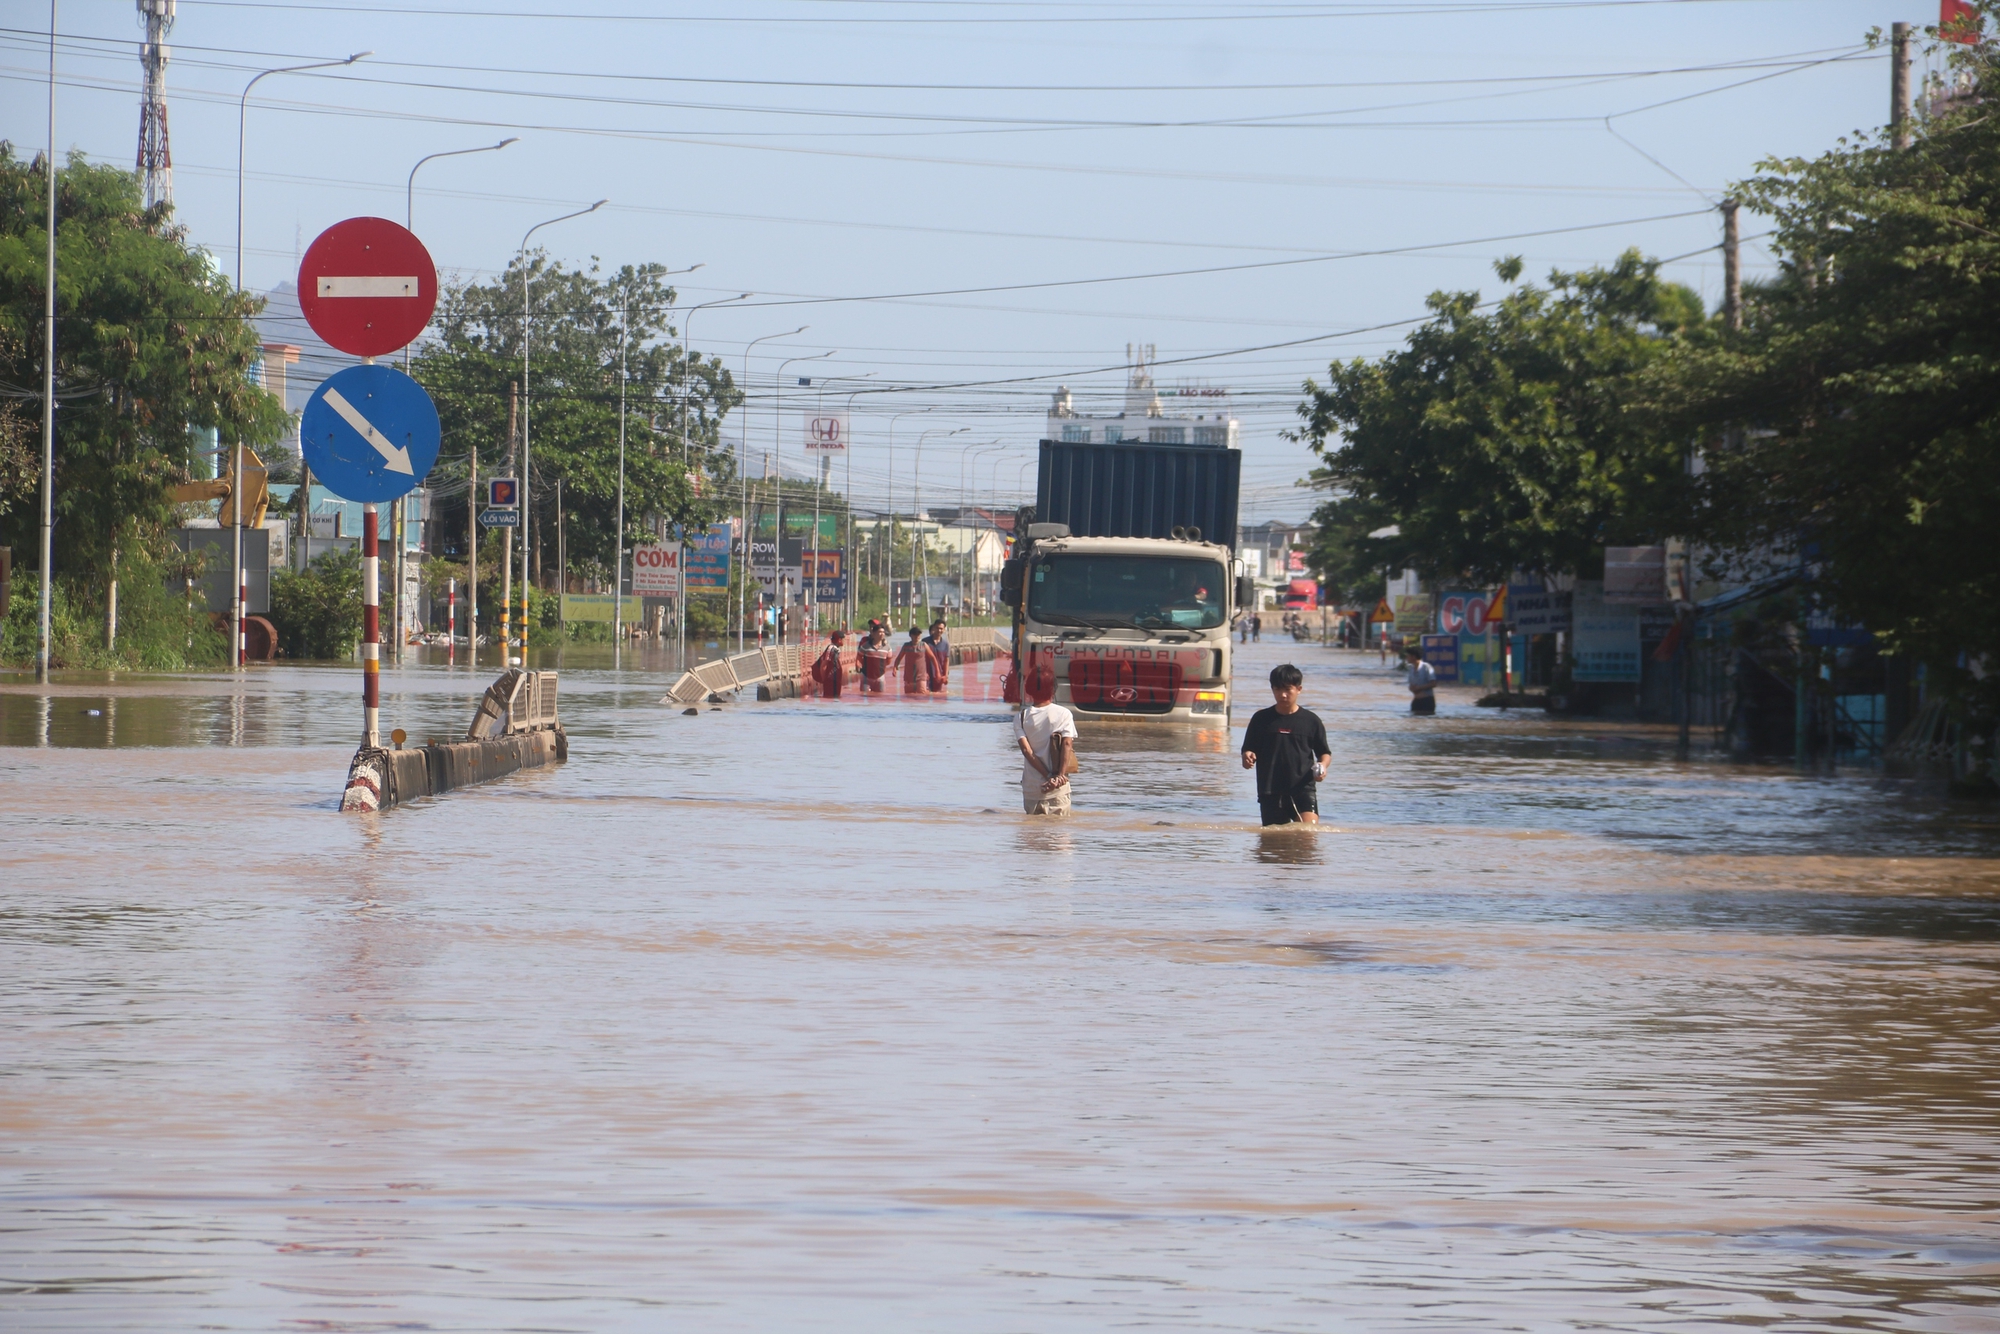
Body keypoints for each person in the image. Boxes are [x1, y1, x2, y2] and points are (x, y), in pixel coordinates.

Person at [1241, 663, 1331, 826]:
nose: (1282, 695)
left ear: (1299, 689)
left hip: (1303, 788)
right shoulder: (1261, 719)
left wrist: (1322, 766)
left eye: (1287, 690)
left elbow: (1324, 753)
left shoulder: (1311, 721)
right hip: (1270, 790)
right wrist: (1247, 756)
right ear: (1272, 689)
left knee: (1307, 835)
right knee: (1274, 843)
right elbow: (1248, 749)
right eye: (1277, 689)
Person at [1014, 661, 1076, 816]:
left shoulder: (1021, 718)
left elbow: (1027, 751)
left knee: (1033, 837)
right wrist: (1058, 777)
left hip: (1032, 789)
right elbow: (1067, 744)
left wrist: (1047, 775)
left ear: (1028, 689)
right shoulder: (1064, 714)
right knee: (1058, 836)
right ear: (1053, 689)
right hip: (1058, 789)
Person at [891, 626, 929, 693]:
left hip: (921, 677)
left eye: (918, 634)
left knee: (922, 696)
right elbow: (899, 658)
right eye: (915, 634)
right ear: (910, 635)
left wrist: (934, 671)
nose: (917, 636)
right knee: (908, 696)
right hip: (909, 677)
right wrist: (894, 668)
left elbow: (932, 658)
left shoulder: (924, 645)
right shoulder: (906, 646)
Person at [812, 629, 847, 698]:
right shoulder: (831, 649)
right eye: (843, 639)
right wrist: (824, 679)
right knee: (829, 698)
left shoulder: (835, 649)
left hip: (834, 681)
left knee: (834, 699)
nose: (845, 641)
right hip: (830, 681)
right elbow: (823, 665)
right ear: (839, 640)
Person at [1404, 644, 1437, 715]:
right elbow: (1411, 685)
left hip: (1427, 701)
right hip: (1416, 701)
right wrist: (1411, 688)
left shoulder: (1426, 667)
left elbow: (1433, 683)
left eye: (1408, 656)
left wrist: (1419, 688)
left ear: (1413, 657)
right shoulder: (1411, 668)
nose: (1406, 657)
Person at [858, 625, 891, 693]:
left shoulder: (887, 648)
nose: (882, 634)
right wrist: (858, 665)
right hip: (866, 677)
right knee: (864, 697)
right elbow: (859, 657)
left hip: (880, 677)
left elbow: (888, 661)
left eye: (883, 632)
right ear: (873, 633)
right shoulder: (865, 646)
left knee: (880, 697)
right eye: (879, 632)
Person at [922, 620, 951, 694]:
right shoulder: (925, 642)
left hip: (938, 675)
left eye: (941, 628)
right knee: (924, 694)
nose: (939, 630)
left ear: (944, 630)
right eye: (937, 628)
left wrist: (945, 675)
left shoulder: (945, 644)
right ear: (934, 628)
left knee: (937, 695)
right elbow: (920, 658)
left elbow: (946, 661)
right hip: (926, 674)